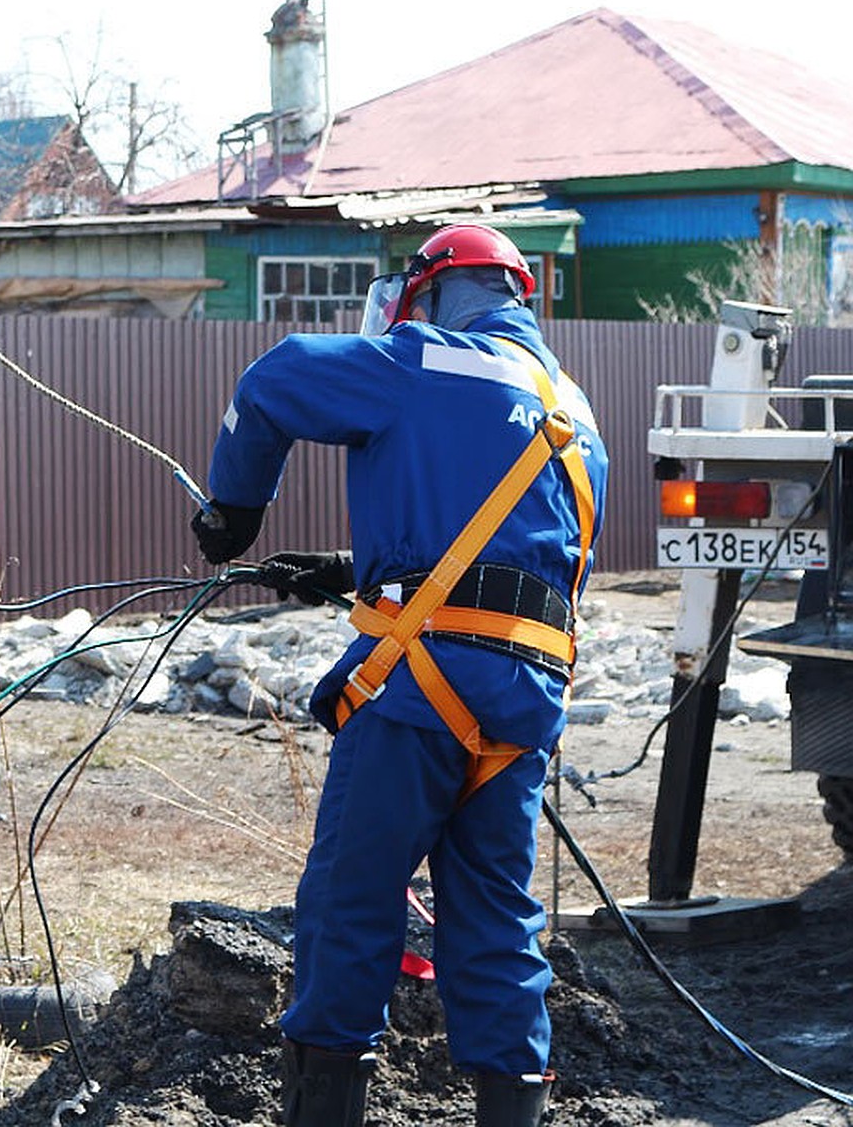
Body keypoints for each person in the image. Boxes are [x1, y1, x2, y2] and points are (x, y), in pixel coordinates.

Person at [190, 223, 608, 1127]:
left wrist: (232, 512)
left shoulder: (425, 358)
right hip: (524, 705)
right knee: (498, 920)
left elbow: (274, 379)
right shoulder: (577, 418)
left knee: (353, 897)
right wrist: (352, 568)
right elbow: (516, 556)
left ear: (428, 291)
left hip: (419, 685)